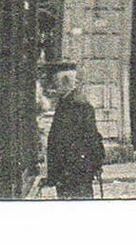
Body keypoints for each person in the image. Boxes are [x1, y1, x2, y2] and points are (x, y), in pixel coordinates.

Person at [44, 68, 105, 198]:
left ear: (65, 85)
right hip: (65, 166)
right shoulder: (64, 103)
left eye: (56, 85)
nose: (54, 89)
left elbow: (91, 136)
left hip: (76, 167)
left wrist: (96, 162)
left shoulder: (80, 106)